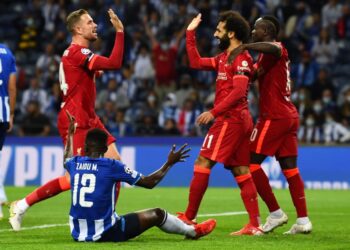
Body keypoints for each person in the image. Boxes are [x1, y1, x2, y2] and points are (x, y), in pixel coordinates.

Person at [9, 8, 125, 230]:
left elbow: (88, 72)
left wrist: (91, 74)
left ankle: (108, 218)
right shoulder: (75, 52)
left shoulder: (76, 55)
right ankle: (22, 204)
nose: (95, 25)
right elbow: (114, 64)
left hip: (90, 117)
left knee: (116, 165)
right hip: (75, 119)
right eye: (90, 22)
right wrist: (119, 32)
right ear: (78, 29)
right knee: (73, 179)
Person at [63, 111, 216, 242]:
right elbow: (149, 182)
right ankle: (193, 232)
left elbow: (66, 159)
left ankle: (191, 230)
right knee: (158, 214)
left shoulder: (74, 163)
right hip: (107, 231)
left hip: (77, 233)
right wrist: (169, 163)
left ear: (84, 147)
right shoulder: (111, 165)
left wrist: (70, 135)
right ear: (105, 148)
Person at [177, 12, 262, 236]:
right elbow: (195, 62)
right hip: (238, 119)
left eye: (219, 30)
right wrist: (189, 33)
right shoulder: (225, 57)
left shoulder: (241, 59)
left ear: (231, 33)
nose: (215, 34)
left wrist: (213, 112)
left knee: (203, 161)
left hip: (230, 119)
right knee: (241, 170)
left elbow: (239, 92)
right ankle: (254, 225)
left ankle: (188, 216)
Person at [228, 16, 312, 234]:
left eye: (255, 29)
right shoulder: (265, 57)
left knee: (250, 162)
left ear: (265, 31)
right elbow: (252, 75)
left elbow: (273, 48)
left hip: (274, 117)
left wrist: (245, 46)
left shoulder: (277, 48)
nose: (253, 31)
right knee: (291, 170)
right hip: (288, 116)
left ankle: (275, 213)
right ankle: (303, 221)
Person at [0, 43, 16, 219]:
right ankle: (1, 193)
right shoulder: (7, 52)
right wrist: (11, 113)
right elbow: (12, 87)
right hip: (2, 111)